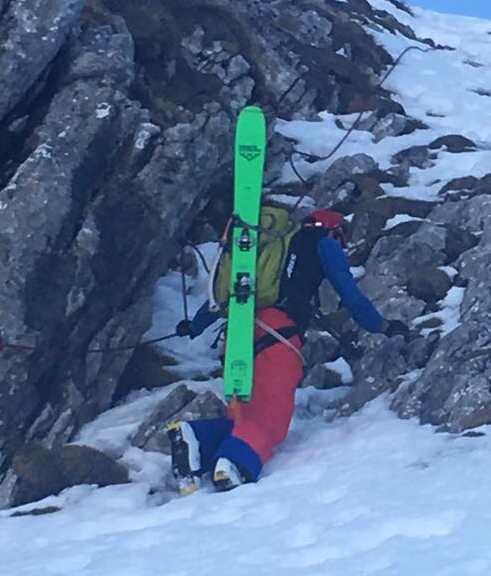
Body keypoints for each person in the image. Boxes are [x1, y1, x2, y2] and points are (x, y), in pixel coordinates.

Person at [168, 208, 402, 491]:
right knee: (272, 418)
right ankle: (234, 465)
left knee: (244, 414)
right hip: (278, 334)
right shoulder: (323, 242)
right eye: (341, 239)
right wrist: (383, 326)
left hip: (237, 332)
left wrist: (195, 326)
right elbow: (349, 294)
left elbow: (227, 293)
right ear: (333, 230)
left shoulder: (268, 252)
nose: (342, 246)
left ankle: (196, 438)